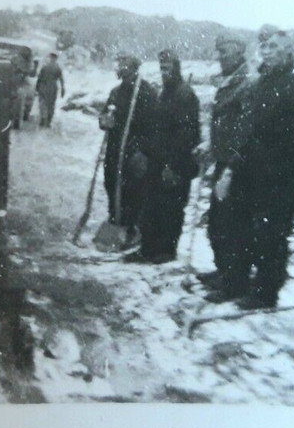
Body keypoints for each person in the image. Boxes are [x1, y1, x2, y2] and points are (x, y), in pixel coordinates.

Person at [208, 25, 294, 309]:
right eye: (264, 47)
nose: (267, 53)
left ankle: (264, 294)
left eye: (273, 47)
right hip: (250, 173)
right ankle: (235, 283)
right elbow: (245, 131)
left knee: (271, 238)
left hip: (281, 179)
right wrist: (232, 168)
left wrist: (278, 169)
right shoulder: (261, 84)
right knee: (238, 229)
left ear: (287, 50)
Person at [125, 49, 201, 263]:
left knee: (171, 210)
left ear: (176, 68)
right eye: (161, 68)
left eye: (167, 68)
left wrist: (173, 166)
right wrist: (145, 153)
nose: (164, 72)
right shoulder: (165, 93)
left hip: (175, 164)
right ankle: (148, 249)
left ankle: (166, 252)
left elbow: (187, 136)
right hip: (159, 162)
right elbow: (156, 129)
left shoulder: (184, 94)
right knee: (152, 207)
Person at [198, 35, 254, 290]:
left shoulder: (247, 83)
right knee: (218, 223)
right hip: (223, 161)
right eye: (218, 51)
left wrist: (231, 167)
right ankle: (224, 271)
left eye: (226, 51)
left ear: (240, 52)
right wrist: (211, 147)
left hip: (238, 166)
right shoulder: (230, 81)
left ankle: (235, 281)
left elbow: (245, 131)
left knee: (233, 225)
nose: (220, 57)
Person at [98, 54, 158, 242]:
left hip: (135, 150)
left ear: (133, 68)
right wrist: (104, 121)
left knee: (132, 189)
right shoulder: (116, 92)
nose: (119, 69)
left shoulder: (146, 92)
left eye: (123, 65)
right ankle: (115, 221)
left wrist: (143, 151)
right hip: (115, 148)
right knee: (111, 182)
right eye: (119, 65)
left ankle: (132, 229)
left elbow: (153, 126)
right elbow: (104, 115)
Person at [35, 52, 66, 128]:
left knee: (43, 102)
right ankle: (48, 120)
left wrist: (37, 87)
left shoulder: (45, 67)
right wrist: (62, 89)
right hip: (52, 87)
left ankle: (43, 118)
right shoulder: (57, 68)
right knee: (51, 104)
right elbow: (61, 79)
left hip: (44, 86)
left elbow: (39, 78)